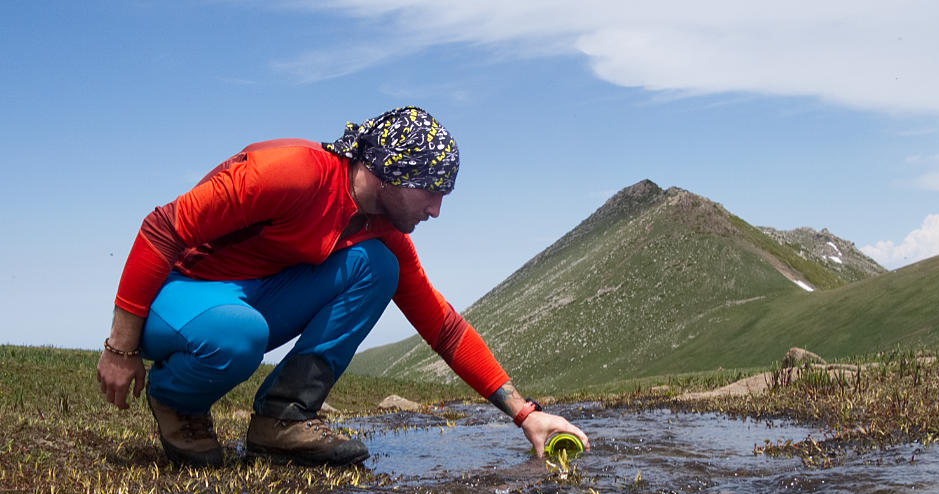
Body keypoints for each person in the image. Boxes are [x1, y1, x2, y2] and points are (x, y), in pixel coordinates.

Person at [96, 106, 590, 467]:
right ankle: (176, 400)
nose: (436, 210)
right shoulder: (291, 172)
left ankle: (282, 418)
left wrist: (525, 414)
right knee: (238, 334)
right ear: (391, 173)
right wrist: (120, 347)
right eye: (432, 191)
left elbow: (444, 329)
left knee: (376, 266)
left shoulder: (384, 234)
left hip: (253, 294)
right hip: (181, 291)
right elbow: (162, 228)